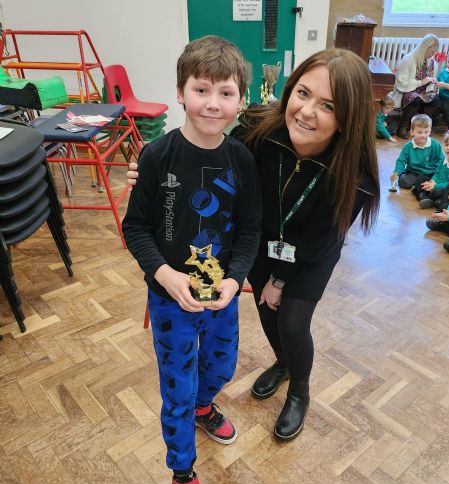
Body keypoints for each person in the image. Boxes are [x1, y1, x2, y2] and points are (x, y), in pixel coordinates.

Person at [128, 48, 380, 442]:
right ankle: (282, 363)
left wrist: (280, 280)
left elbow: (319, 239)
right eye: (303, 93)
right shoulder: (257, 131)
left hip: (309, 253)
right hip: (261, 241)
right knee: (266, 312)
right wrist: (151, 176)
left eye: (328, 105)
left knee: (292, 320)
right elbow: (211, 167)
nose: (307, 111)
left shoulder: (355, 176)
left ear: (348, 118)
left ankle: (299, 391)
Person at [122, 36, 262, 484]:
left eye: (226, 93)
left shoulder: (242, 159)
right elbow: (135, 227)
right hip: (170, 300)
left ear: (240, 101)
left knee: (221, 368)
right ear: (181, 92)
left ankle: (205, 407)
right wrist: (164, 275)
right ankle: (182, 473)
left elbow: (250, 230)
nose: (213, 103)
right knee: (177, 390)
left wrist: (235, 279)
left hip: (221, 295)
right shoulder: (156, 155)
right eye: (202, 90)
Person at [390, 33, 440, 138]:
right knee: (415, 99)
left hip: (424, 91)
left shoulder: (432, 63)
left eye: (435, 51)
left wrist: (433, 82)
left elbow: (430, 82)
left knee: (434, 98)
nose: (433, 54)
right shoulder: (408, 59)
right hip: (406, 91)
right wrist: (421, 82)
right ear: (425, 48)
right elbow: (402, 83)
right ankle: (403, 127)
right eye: (431, 51)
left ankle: (423, 128)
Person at [390, 114, 443, 191]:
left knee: (441, 180)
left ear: (430, 131)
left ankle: (419, 185)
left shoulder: (436, 144)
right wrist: (396, 173)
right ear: (412, 132)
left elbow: (441, 160)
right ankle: (419, 184)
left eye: (426, 132)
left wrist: (435, 177)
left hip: (430, 173)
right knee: (403, 182)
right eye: (419, 132)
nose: (423, 135)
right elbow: (401, 161)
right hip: (413, 172)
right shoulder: (407, 147)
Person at [419, 130, 449, 209]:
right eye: (446, 144)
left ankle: (427, 197)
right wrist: (433, 181)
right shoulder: (445, 158)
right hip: (438, 184)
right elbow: (437, 172)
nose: (448, 148)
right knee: (420, 178)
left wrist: (435, 185)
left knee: (437, 193)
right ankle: (427, 198)